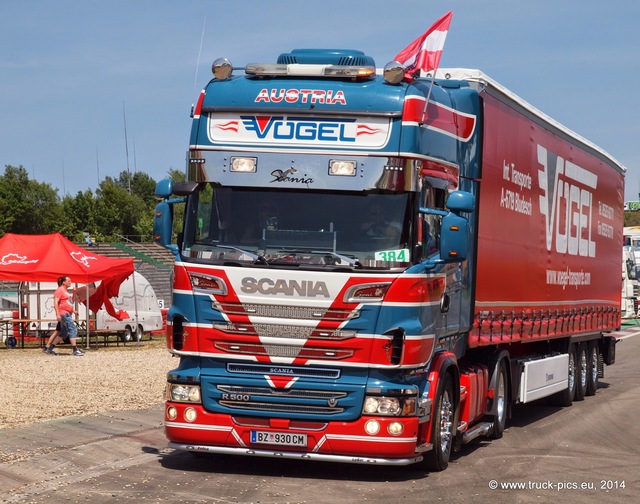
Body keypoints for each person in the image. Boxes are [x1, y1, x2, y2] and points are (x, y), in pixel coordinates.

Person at [43, 276, 84, 356]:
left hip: (67, 313)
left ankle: (49, 349)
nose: (70, 282)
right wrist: (57, 314)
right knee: (72, 329)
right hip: (63, 313)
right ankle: (75, 349)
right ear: (63, 282)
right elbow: (55, 302)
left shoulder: (65, 291)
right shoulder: (59, 290)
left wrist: (73, 310)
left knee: (63, 333)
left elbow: (69, 302)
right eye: (68, 281)